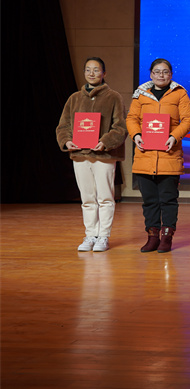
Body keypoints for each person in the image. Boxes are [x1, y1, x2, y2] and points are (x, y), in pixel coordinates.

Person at [56, 57, 127, 252]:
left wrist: (105, 142)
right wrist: (66, 141)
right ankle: (90, 235)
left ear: (104, 73)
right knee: (87, 198)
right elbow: (63, 126)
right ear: (84, 73)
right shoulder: (74, 98)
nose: (92, 73)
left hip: (104, 156)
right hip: (80, 155)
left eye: (96, 70)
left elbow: (120, 127)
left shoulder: (113, 97)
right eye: (88, 70)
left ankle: (103, 236)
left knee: (105, 198)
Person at [126, 58, 190, 253]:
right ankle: (152, 236)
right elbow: (131, 118)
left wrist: (174, 136)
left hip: (169, 155)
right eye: (157, 71)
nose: (161, 75)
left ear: (171, 74)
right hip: (144, 155)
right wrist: (136, 135)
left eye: (165, 72)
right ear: (151, 74)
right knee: (149, 201)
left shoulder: (180, 93)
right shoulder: (140, 94)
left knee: (168, 199)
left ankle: (166, 236)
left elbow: (188, 120)